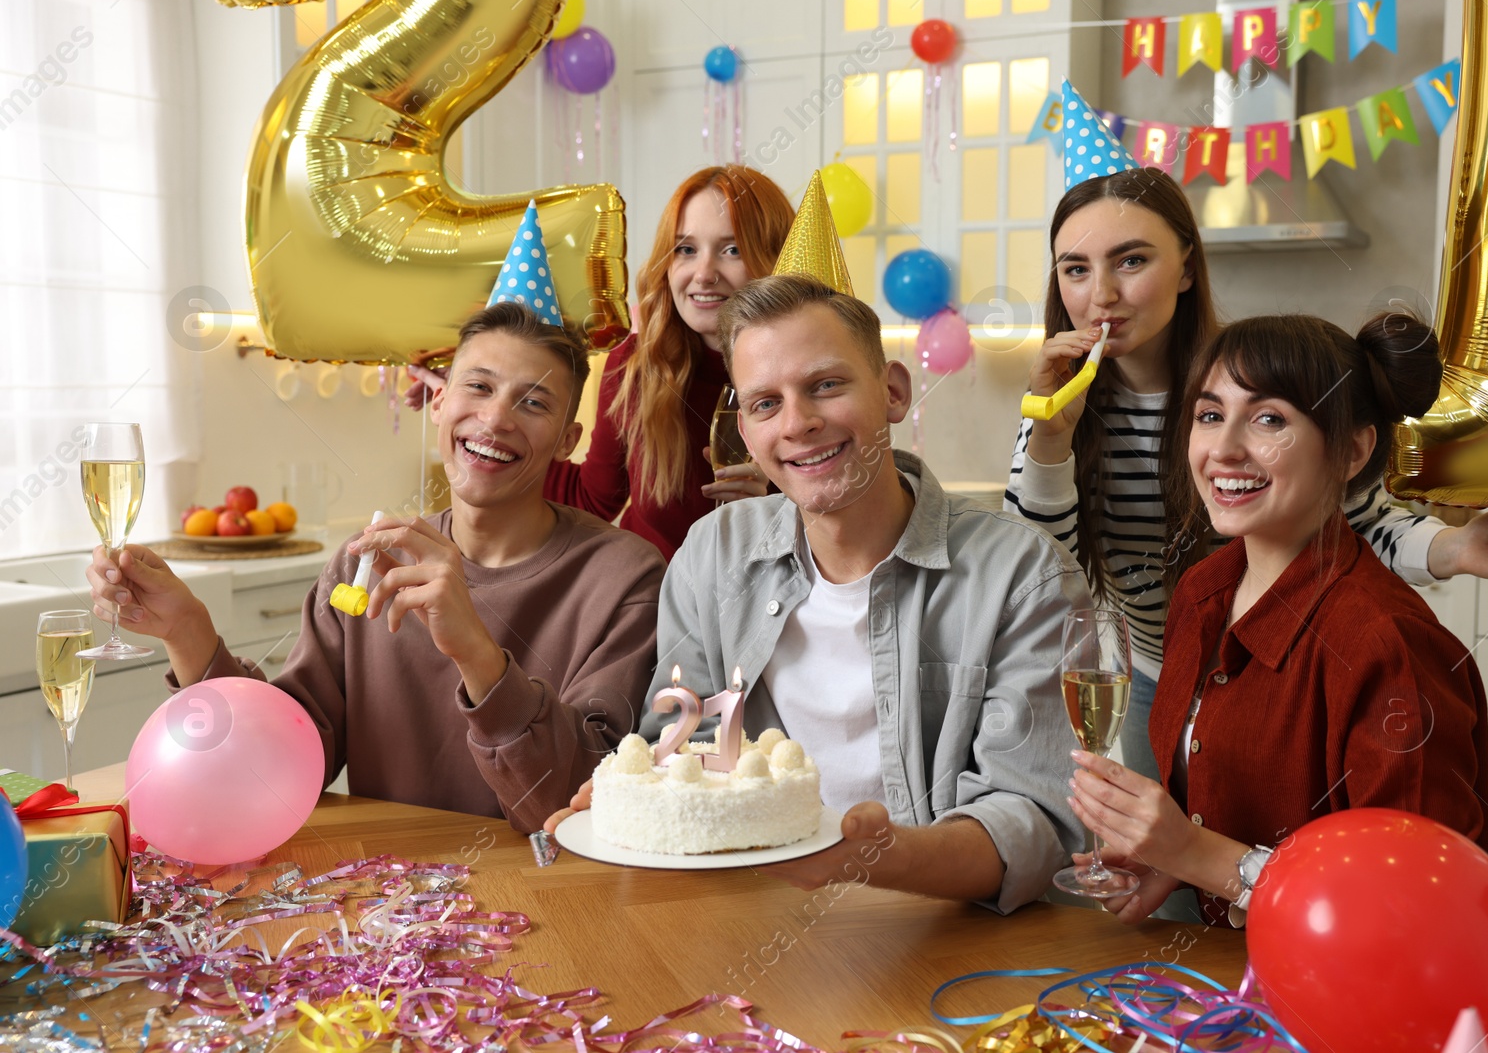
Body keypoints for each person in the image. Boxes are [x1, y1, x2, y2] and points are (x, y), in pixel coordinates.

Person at [1005, 165, 1488, 788]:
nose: (1101, 295)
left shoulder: (1245, 378)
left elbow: (1360, 520)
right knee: (1168, 875)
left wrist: (1456, 547)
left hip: (1277, 675)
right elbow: (1036, 567)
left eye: (1131, 261)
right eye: (1075, 268)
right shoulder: (1058, 403)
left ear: (1188, 269)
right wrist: (1051, 434)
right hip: (1153, 679)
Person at [549, 271, 1092, 915]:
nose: (798, 423)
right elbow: (688, 739)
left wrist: (867, 857)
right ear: (746, 432)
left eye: (825, 386)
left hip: (954, 941)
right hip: (755, 920)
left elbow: (1035, 824)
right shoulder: (713, 554)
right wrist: (647, 791)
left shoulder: (1024, 574)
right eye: (765, 403)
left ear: (893, 392)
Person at [85, 303, 666, 833]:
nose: (495, 419)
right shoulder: (365, 564)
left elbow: (577, 808)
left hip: (556, 907)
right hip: (388, 906)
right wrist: (188, 632)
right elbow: (273, 772)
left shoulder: (625, 577)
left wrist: (478, 655)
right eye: (479, 387)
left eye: (533, 402)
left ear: (567, 440)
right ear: (439, 403)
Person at [1064, 311, 1488, 927]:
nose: (1223, 449)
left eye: (1269, 419)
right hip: (1231, 991)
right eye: (1210, 415)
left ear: (1351, 451)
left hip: (1348, 1012)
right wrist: (1169, 863)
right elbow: (1227, 818)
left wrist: (1196, 853)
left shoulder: (1389, 645)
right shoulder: (1200, 594)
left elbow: (1416, 912)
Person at [409, 166, 794, 561]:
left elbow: (850, 521)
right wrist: (477, 405)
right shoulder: (635, 368)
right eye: (686, 249)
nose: (704, 273)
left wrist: (784, 495)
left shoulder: (808, 377)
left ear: (774, 258)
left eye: (732, 250)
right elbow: (591, 499)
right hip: (660, 607)